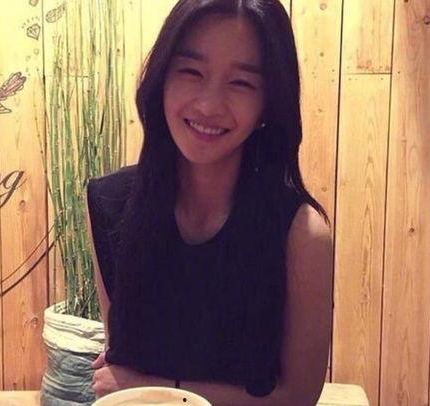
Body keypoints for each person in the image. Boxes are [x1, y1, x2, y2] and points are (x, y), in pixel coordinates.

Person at [85, 0, 333, 404]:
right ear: (162, 78)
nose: (208, 105)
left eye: (241, 83)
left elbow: (297, 397)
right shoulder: (109, 203)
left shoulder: (302, 234)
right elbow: (122, 358)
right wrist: (132, 385)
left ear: (268, 103)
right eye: (191, 72)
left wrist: (163, 388)